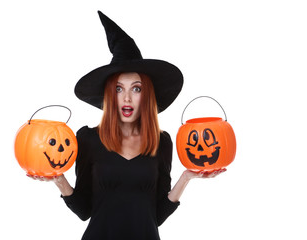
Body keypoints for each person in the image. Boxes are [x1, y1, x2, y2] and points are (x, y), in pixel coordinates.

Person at [28, 11, 225, 240]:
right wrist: (59, 180)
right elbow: (84, 211)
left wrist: (186, 178)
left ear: (147, 95)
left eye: (137, 88)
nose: (127, 98)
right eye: (119, 89)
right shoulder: (88, 139)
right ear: (109, 95)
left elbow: (157, 215)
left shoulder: (161, 142)